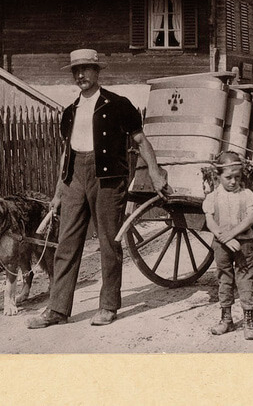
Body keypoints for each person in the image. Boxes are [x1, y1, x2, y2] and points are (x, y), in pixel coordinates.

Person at [28, 49, 168, 328]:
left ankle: (108, 306)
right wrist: (58, 191)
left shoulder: (118, 104)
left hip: (107, 179)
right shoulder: (69, 112)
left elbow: (140, 141)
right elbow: (65, 153)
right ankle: (57, 309)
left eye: (86, 69)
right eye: (76, 70)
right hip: (73, 178)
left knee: (108, 241)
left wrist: (155, 171)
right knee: (66, 242)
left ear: (97, 71)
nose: (81, 75)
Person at [202, 151, 253, 340]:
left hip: (244, 244)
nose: (233, 182)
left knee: (245, 278)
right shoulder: (212, 197)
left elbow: (249, 219)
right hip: (221, 246)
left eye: (237, 177)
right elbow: (210, 222)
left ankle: (249, 321)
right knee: (224, 278)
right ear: (217, 176)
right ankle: (226, 319)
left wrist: (231, 235)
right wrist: (224, 238)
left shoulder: (247, 195)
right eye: (228, 177)